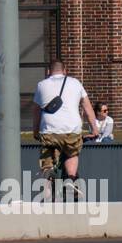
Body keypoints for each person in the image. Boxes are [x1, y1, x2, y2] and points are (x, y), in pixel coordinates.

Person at [32, 60, 99, 189]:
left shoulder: (41, 85)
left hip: (48, 131)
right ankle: (71, 179)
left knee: (47, 160)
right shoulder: (75, 83)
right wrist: (94, 128)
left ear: (48, 72)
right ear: (65, 71)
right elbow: (88, 108)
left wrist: (35, 131)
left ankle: (47, 179)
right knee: (71, 152)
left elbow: (36, 111)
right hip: (71, 130)